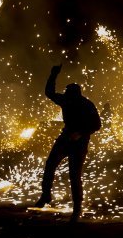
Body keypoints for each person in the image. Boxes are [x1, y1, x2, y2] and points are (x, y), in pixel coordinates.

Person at [34, 64, 101, 222]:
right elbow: (49, 93)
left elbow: (97, 125)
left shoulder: (87, 105)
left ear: (76, 95)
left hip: (79, 143)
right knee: (50, 164)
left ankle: (77, 209)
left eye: (69, 94)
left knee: (74, 175)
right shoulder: (66, 100)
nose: (66, 95)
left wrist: (80, 133)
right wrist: (53, 74)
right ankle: (45, 196)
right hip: (65, 139)